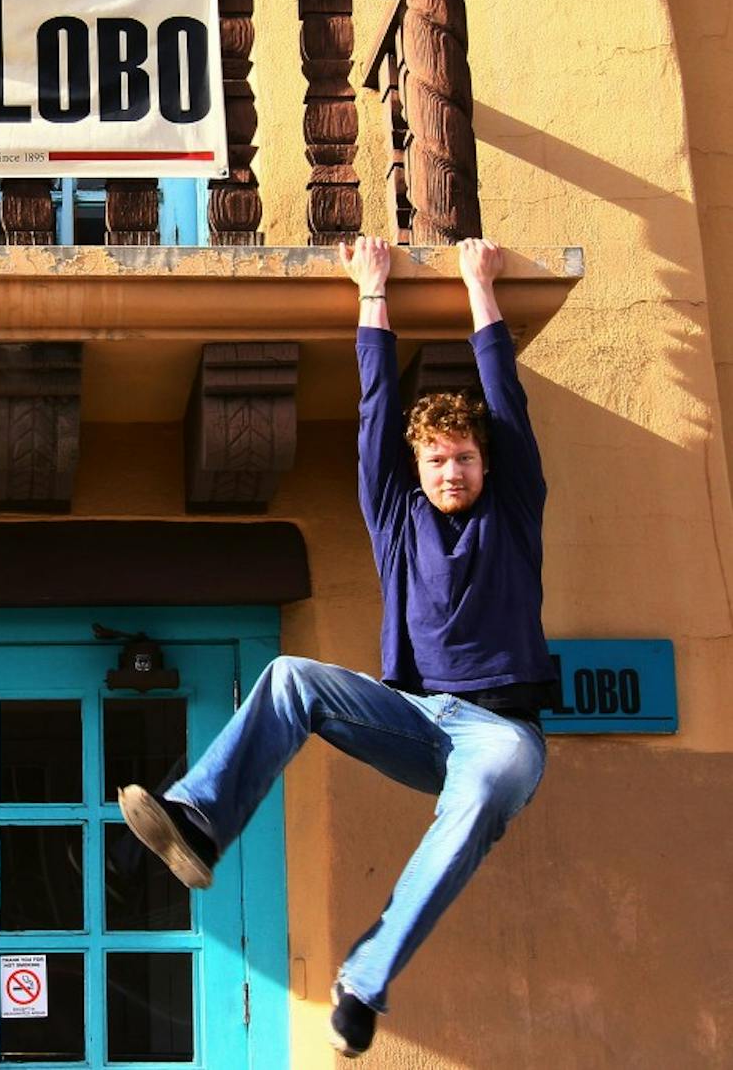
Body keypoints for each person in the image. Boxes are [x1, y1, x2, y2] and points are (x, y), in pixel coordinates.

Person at [120, 237, 552, 1058]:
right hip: (417, 718)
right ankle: (199, 821)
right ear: (416, 468)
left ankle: (363, 982)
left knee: (486, 783)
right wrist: (372, 292)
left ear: (485, 465)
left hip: (501, 730)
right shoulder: (394, 515)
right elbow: (374, 409)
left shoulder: (514, 509)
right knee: (290, 678)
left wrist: (477, 285)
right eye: (437, 458)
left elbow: (507, 401)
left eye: (464, 457)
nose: (452, 470)